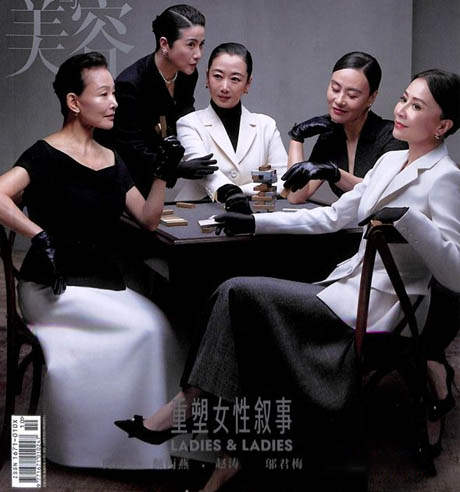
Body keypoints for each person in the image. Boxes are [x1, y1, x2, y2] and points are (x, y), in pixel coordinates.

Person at [115, 69, 460, 490]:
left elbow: (454, 274)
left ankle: (190, 409)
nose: (401, 110)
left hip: (385, 311)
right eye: (404, 98)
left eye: (417, 106)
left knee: (237, 292)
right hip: (343, 291)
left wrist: (410, 221)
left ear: (443, 125)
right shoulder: (390, 161)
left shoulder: (445, 177)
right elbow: (332, 217)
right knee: (245, 319)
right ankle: (224, 448)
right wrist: (255, 222)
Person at [0, 52, 187, 469]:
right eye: (103, 94)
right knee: (146, 329)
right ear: (74, 102)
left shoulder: (112, 159)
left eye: (114, 93)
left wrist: (161, 173)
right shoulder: (45, 153)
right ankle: (93, 449)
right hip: (51, 287)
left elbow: (148, 218)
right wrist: (37, 233)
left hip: (102, 284)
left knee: (164, 329)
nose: (114, 102)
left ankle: (138, 448)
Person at [96, 4, 217, 196]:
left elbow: (185, 116)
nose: (198, 54)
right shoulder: (130, 85)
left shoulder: (187, 74)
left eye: (201, 44)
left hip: (155, 171)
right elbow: (130, 147)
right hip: (119, 177)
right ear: (165, 44)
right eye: (191, 45)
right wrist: (177, 168)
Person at [175, 42, 288, 214]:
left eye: (235, 79)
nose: (224, 87)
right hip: (197, 215)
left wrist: (238, 192)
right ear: (207, 77)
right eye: (217, 76)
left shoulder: (266, 125)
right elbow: (207, 174)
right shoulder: (189, 123)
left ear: (248, 83)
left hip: (253, 217)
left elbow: (284, 180)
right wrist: (250, 189)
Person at [286, 51, 407, 203]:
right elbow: (296, 195)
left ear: (371, 98)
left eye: (352, 95)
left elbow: (379, 193)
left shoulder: (392, 136)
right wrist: (297, 136)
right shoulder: (330, 136)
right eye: (335, 89)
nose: (339, 100)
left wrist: (335, 174)